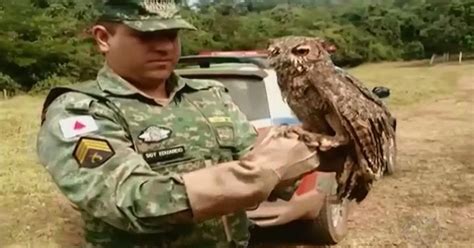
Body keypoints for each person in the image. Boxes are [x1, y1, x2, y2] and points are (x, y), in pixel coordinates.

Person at [36, 0, 319, 247]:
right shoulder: (80, 111)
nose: (163, 47)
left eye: (171, 34)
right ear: (103, 38)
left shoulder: (208, 96)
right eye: (146, 36)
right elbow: (129, 201)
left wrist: (322, 148)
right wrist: (261, 172)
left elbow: (255, 153)